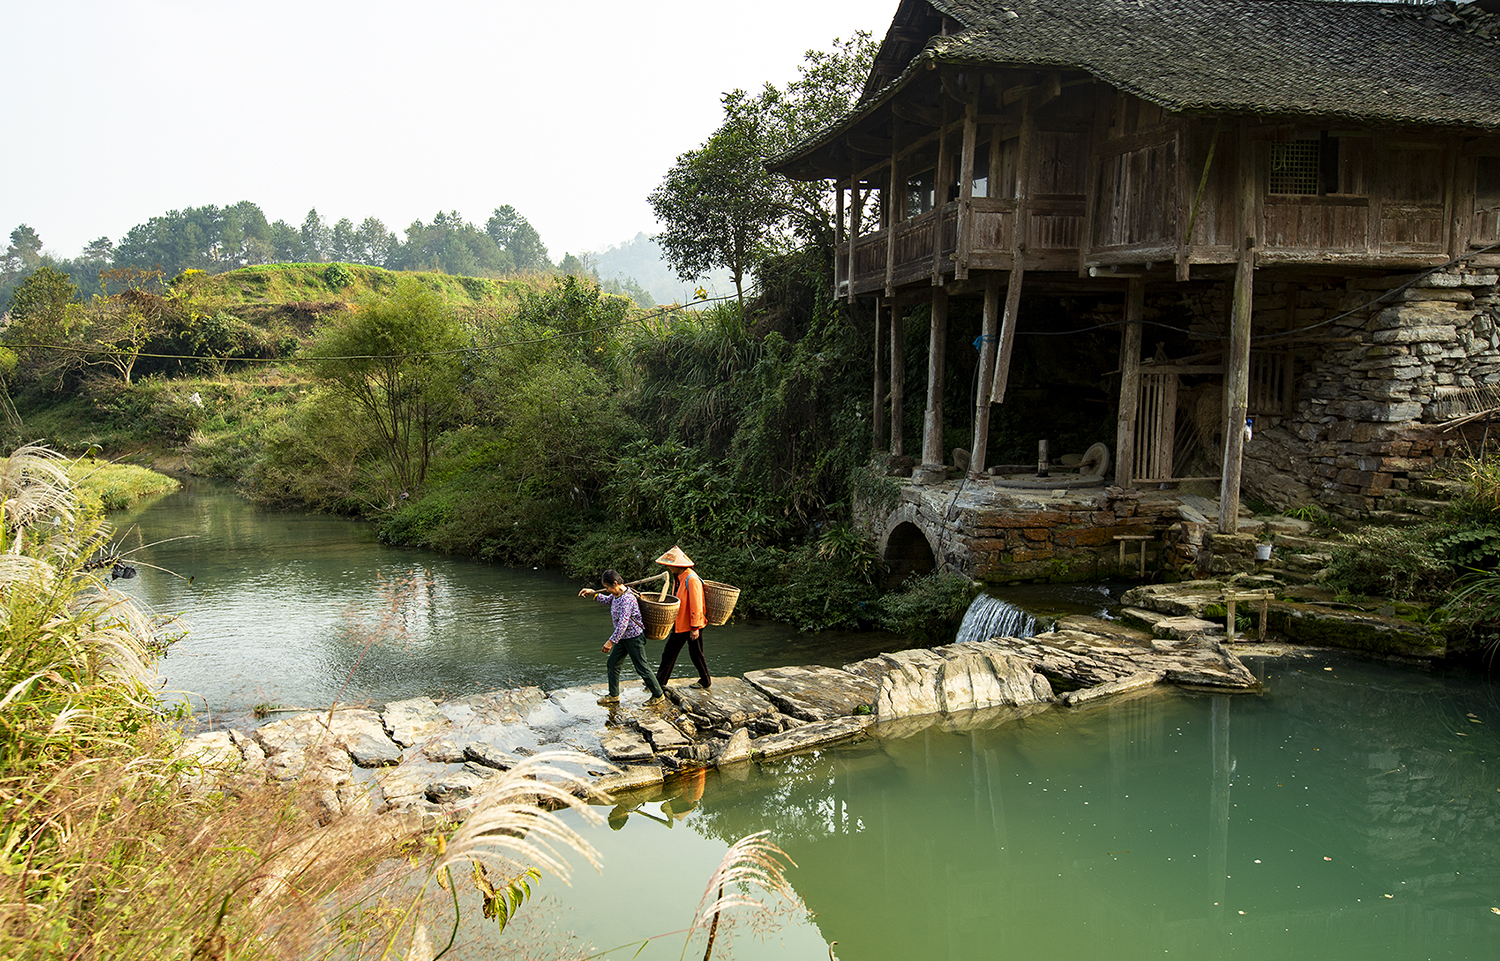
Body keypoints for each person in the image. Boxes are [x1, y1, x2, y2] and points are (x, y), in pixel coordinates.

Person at [579, 569, 665, 706]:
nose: (607, 590)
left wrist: (610, 641)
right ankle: (614, 695)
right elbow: (608, 601)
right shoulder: (617, 594)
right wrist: (593, 594)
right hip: (622, 638)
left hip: (634, 638)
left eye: (607, 587)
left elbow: (623, 624)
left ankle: (658, 694)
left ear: (615, 583)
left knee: (641, 667)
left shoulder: (627, 598)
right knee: (612, 664)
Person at [653, 546, 711, 690]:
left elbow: (697, 605)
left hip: (690, 624)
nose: (669, 568)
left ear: (678, 566)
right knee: (669, 652)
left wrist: (695, 628)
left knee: (696, 653)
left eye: (671, 566)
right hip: (680, 623)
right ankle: (659, 682)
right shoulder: (679, 578)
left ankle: (705, 680)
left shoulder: (692, 579)